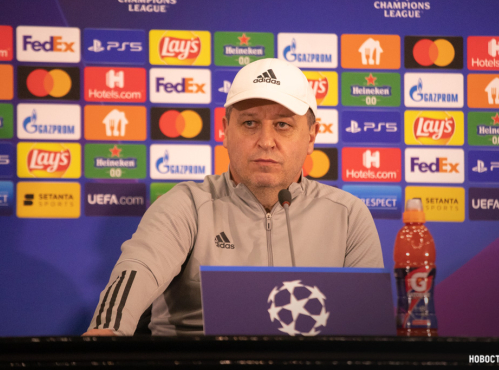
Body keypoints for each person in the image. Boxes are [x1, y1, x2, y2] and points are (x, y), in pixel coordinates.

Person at [84, 58, 384, 336]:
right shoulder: (186, 205)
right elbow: (137, 271)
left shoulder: (348, 215)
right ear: (226, 131)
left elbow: (368, 329)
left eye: (283, 125)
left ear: (311, 137)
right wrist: (106, 333)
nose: (266, 141)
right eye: (250, 123)